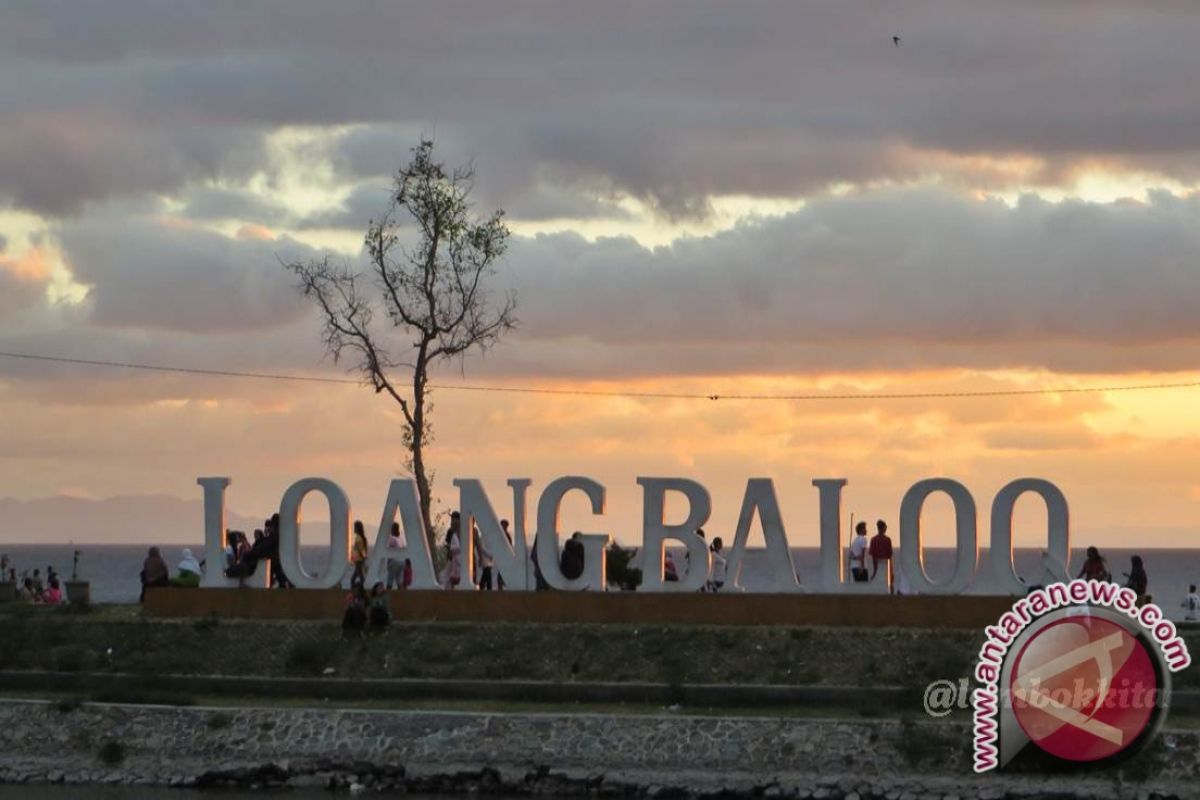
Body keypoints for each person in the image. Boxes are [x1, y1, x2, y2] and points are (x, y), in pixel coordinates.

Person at [868, 519, 893, 588]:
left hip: (877, 564)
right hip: (885, 564)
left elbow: (873, 556)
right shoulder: (887, 540)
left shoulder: (873, 539)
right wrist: (891, 572)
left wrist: (874, 571)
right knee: (887, 586)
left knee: (878, 586)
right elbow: (889, 556)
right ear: (884, 528)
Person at [443, 513, 462, 589]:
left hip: (460, 558)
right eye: (452, 519)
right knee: (449, 576)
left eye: (454, 519)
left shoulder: (463, 531)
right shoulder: (450, 532)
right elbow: (448, 543)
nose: (453, 521)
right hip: (451, 558)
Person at [386, 522, 405, 590]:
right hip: (402, 562)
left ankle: (387, 596)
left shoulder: (392, 539)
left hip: (394, 562)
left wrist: (388, 563)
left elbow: (390, 551)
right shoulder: (401, 539)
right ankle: (402, 596)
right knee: (399, 580)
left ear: (393, 529)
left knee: (390, 580)